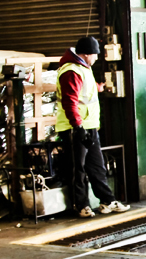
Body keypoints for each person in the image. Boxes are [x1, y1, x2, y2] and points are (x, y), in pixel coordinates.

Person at [55, 36, 130, 218]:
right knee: (77, 169)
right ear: (86, 54)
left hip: (89, 126)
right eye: (95, 55)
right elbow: (70, 101)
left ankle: (107, 200)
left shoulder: (83, 68)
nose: (96, 58)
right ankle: (81, 205)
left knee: (97, 166)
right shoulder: (71, 71)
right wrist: (78, 126)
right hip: (75, 128)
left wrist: (98, 87)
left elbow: (84, 90)